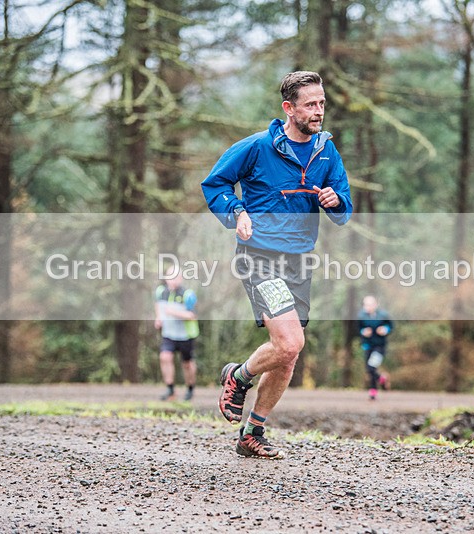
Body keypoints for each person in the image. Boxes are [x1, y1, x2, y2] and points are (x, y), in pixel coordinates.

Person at [201, 71, 353, 459]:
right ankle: (238, 377)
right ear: (289, 108)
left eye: (322, 103)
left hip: (298, 261)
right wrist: (237, 212)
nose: (318, 111)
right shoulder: (257, 147)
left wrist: (336, 201)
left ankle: (252, 433)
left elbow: (343, 209)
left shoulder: (326, 152)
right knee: (290, 342)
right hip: (260, 257)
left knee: (288, 354)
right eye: (310, 104)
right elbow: (215, 184)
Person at [154, 266, 199, 401]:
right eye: (170, 277)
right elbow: (158, 305)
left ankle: (190, 388)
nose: (172, 280)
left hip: (186, 335)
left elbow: (192, 315)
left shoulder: (187, 294)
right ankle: (170, 389)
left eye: (175, 277)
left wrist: (174, 312)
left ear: (181, 278)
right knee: (165, 357)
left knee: (187, 363)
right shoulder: (161, 292)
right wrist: (158, 318)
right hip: (168, 334)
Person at [357, 295, 392, 400]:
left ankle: (373, 390)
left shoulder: (383, 315)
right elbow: (358, 329)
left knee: (371, 366)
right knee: (369, 369)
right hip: (367, 346)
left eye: (371, 304)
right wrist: (363, 332)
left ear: (376, 305)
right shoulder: (361, 316)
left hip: (379, 347)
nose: (368, 307)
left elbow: (390, 326)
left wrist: (385, 330)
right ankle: (379, 381)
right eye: (366, 305)